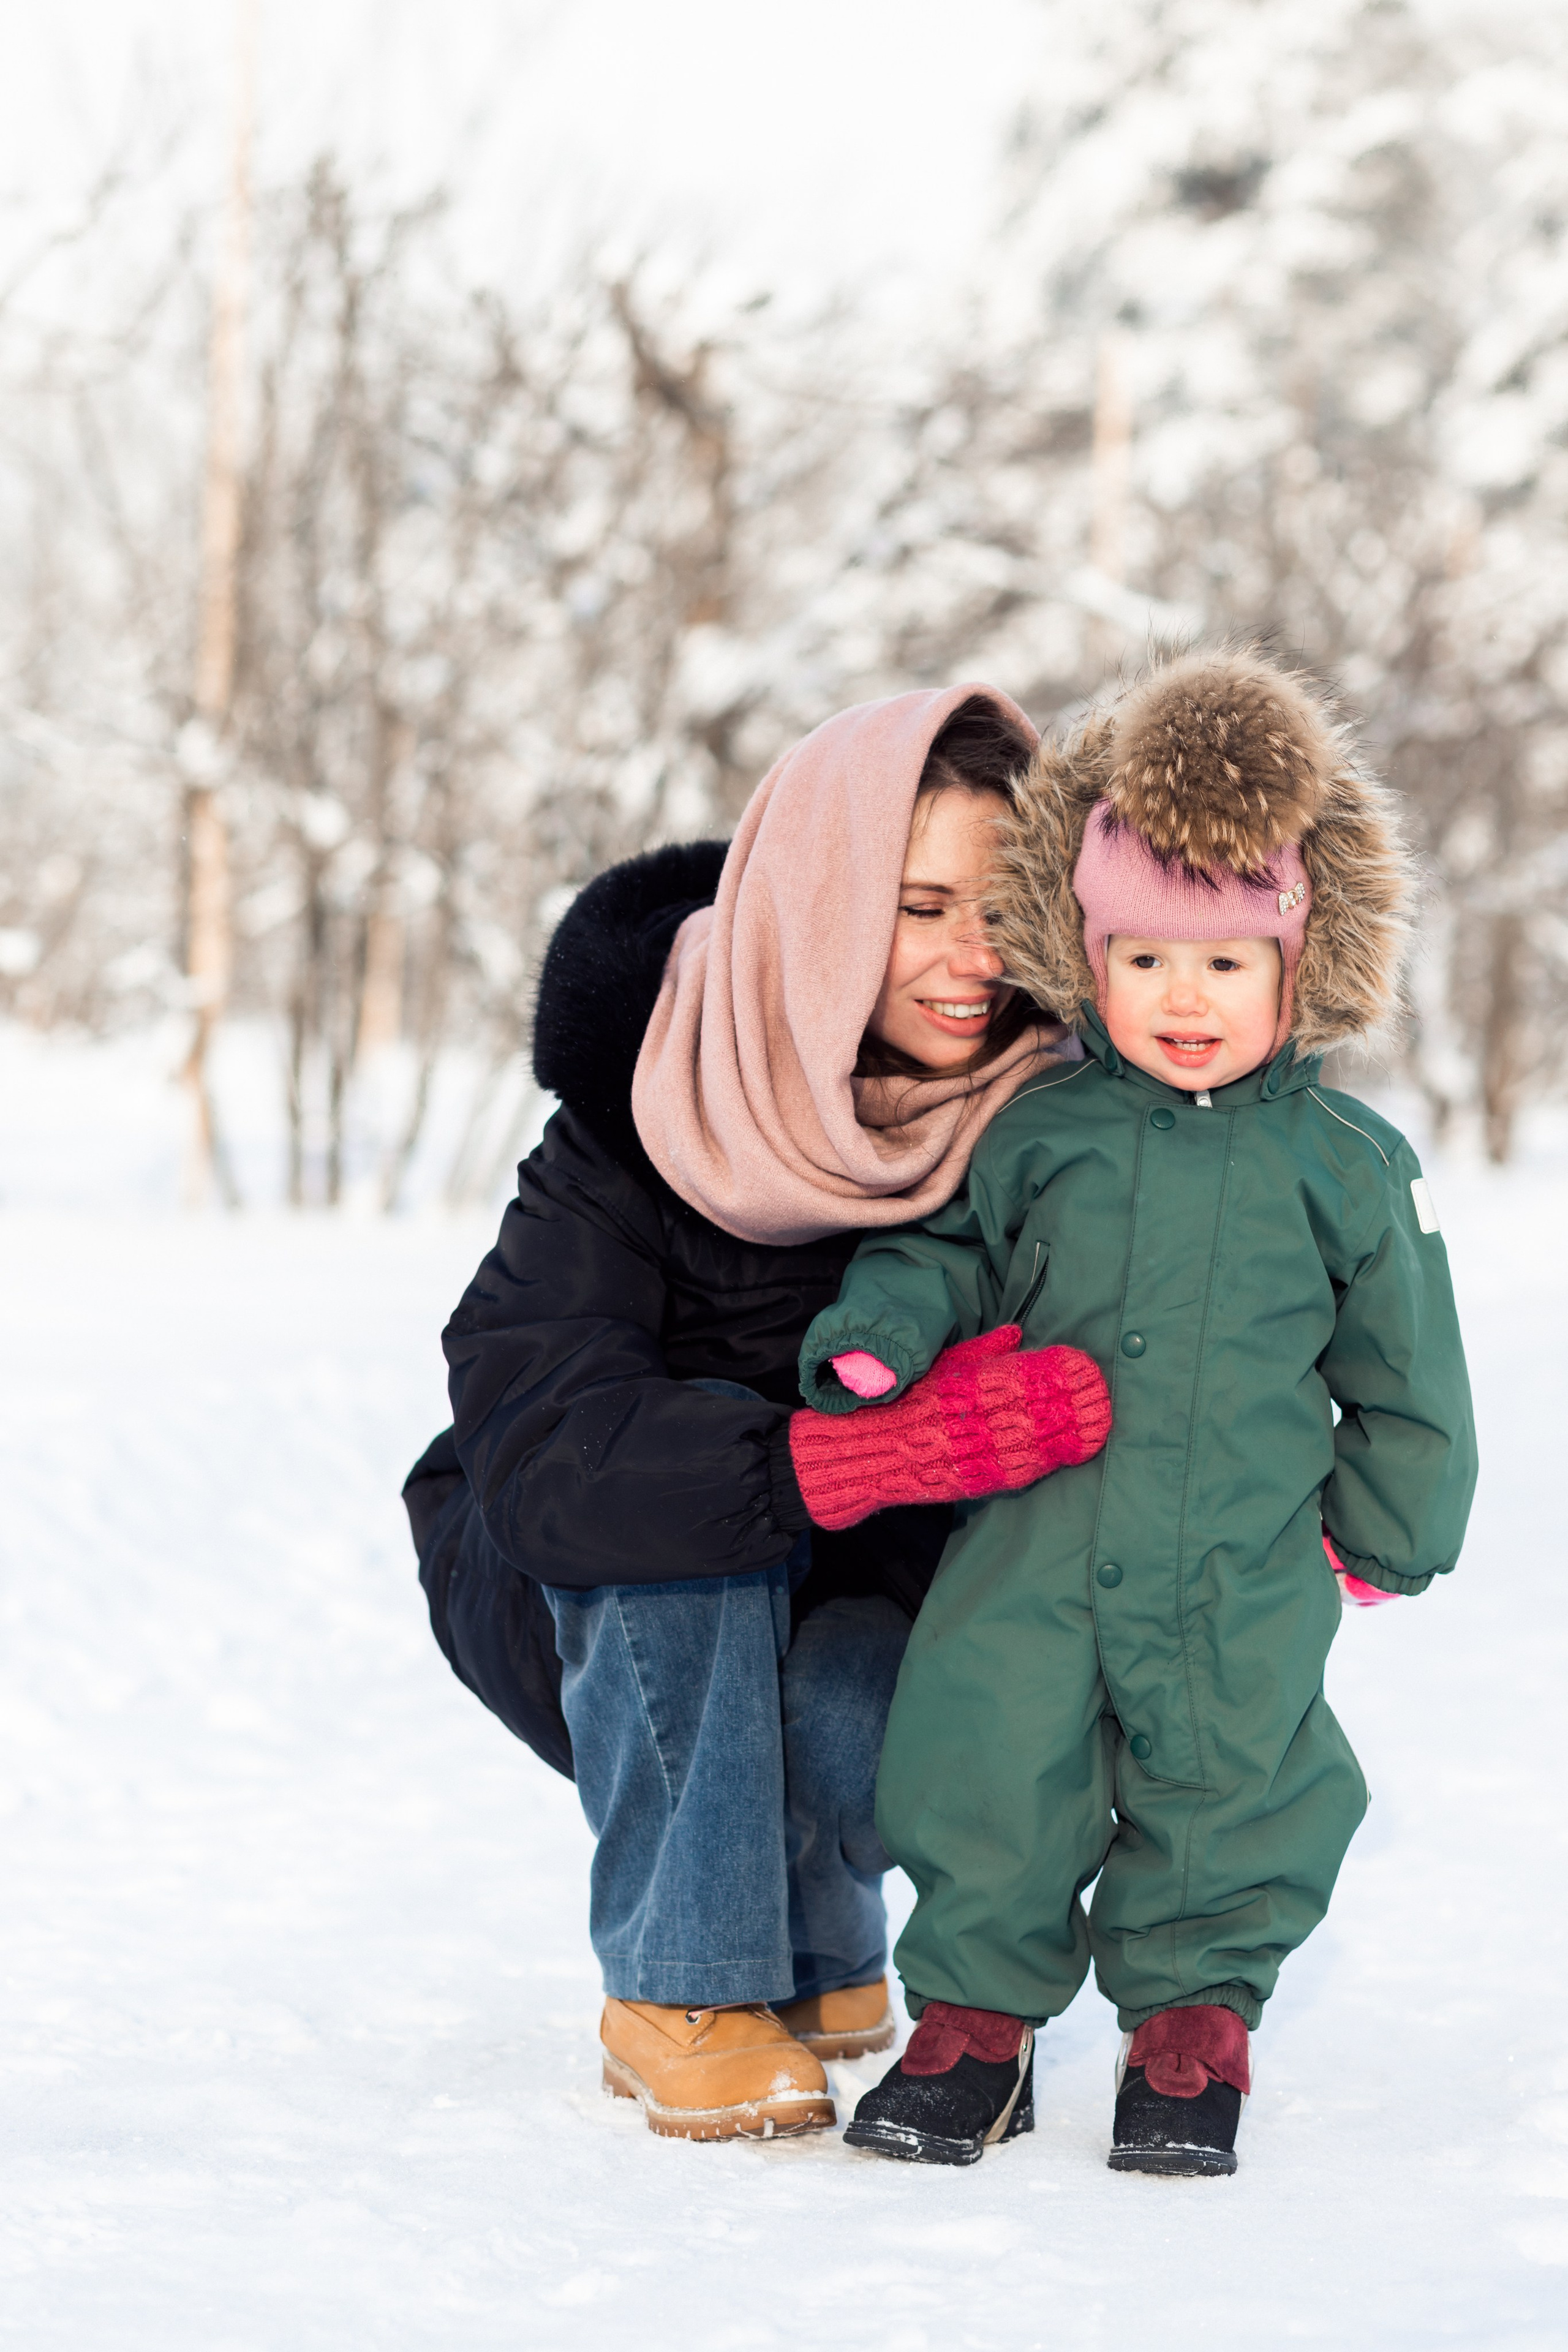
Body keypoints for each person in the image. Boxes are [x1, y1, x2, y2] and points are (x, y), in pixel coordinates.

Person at [796, 647, 1479, 2175]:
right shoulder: (1038, 1124)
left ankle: (1190, 2022)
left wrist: (1382, 1537)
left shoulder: (1344, 1165)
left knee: (1231, 1775)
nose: (1186, 998)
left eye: (1226, 964)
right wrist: (882, 1336)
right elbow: (941, 1251)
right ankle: (975, 2016)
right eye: (1147, 960)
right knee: (985, 1756)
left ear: (1295, 967)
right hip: (1037, 1540)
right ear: (1085, 955)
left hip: (1239, 1553)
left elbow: (1410, 1377)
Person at [402, 685, 1111, 2142]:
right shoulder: (649, 1095)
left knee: (870, 1680)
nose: (970, 961)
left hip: (839, 1586)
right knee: (698, 1514)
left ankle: (812, 1932)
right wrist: (854, 1448)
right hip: (577, 1580)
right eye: (916, 906)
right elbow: (550, 1447)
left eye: (1002, 907)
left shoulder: (1044, 1127)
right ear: (823, 899)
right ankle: (678, 1981)